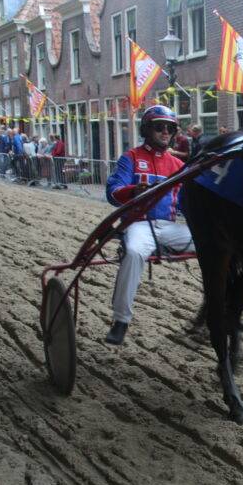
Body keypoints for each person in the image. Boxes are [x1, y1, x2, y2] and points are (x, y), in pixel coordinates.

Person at [104, 105, 196, 345]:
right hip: (139, 224)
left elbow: (187, 204)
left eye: (170, 128)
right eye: (159, 127)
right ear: (146, 129)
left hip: (169, 227)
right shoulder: (131, 158)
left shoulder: (177, 165)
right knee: (134, 253)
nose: (166, 132)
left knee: (214, 244)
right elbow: (113, 193)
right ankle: (121, 319)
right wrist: (133, 190)